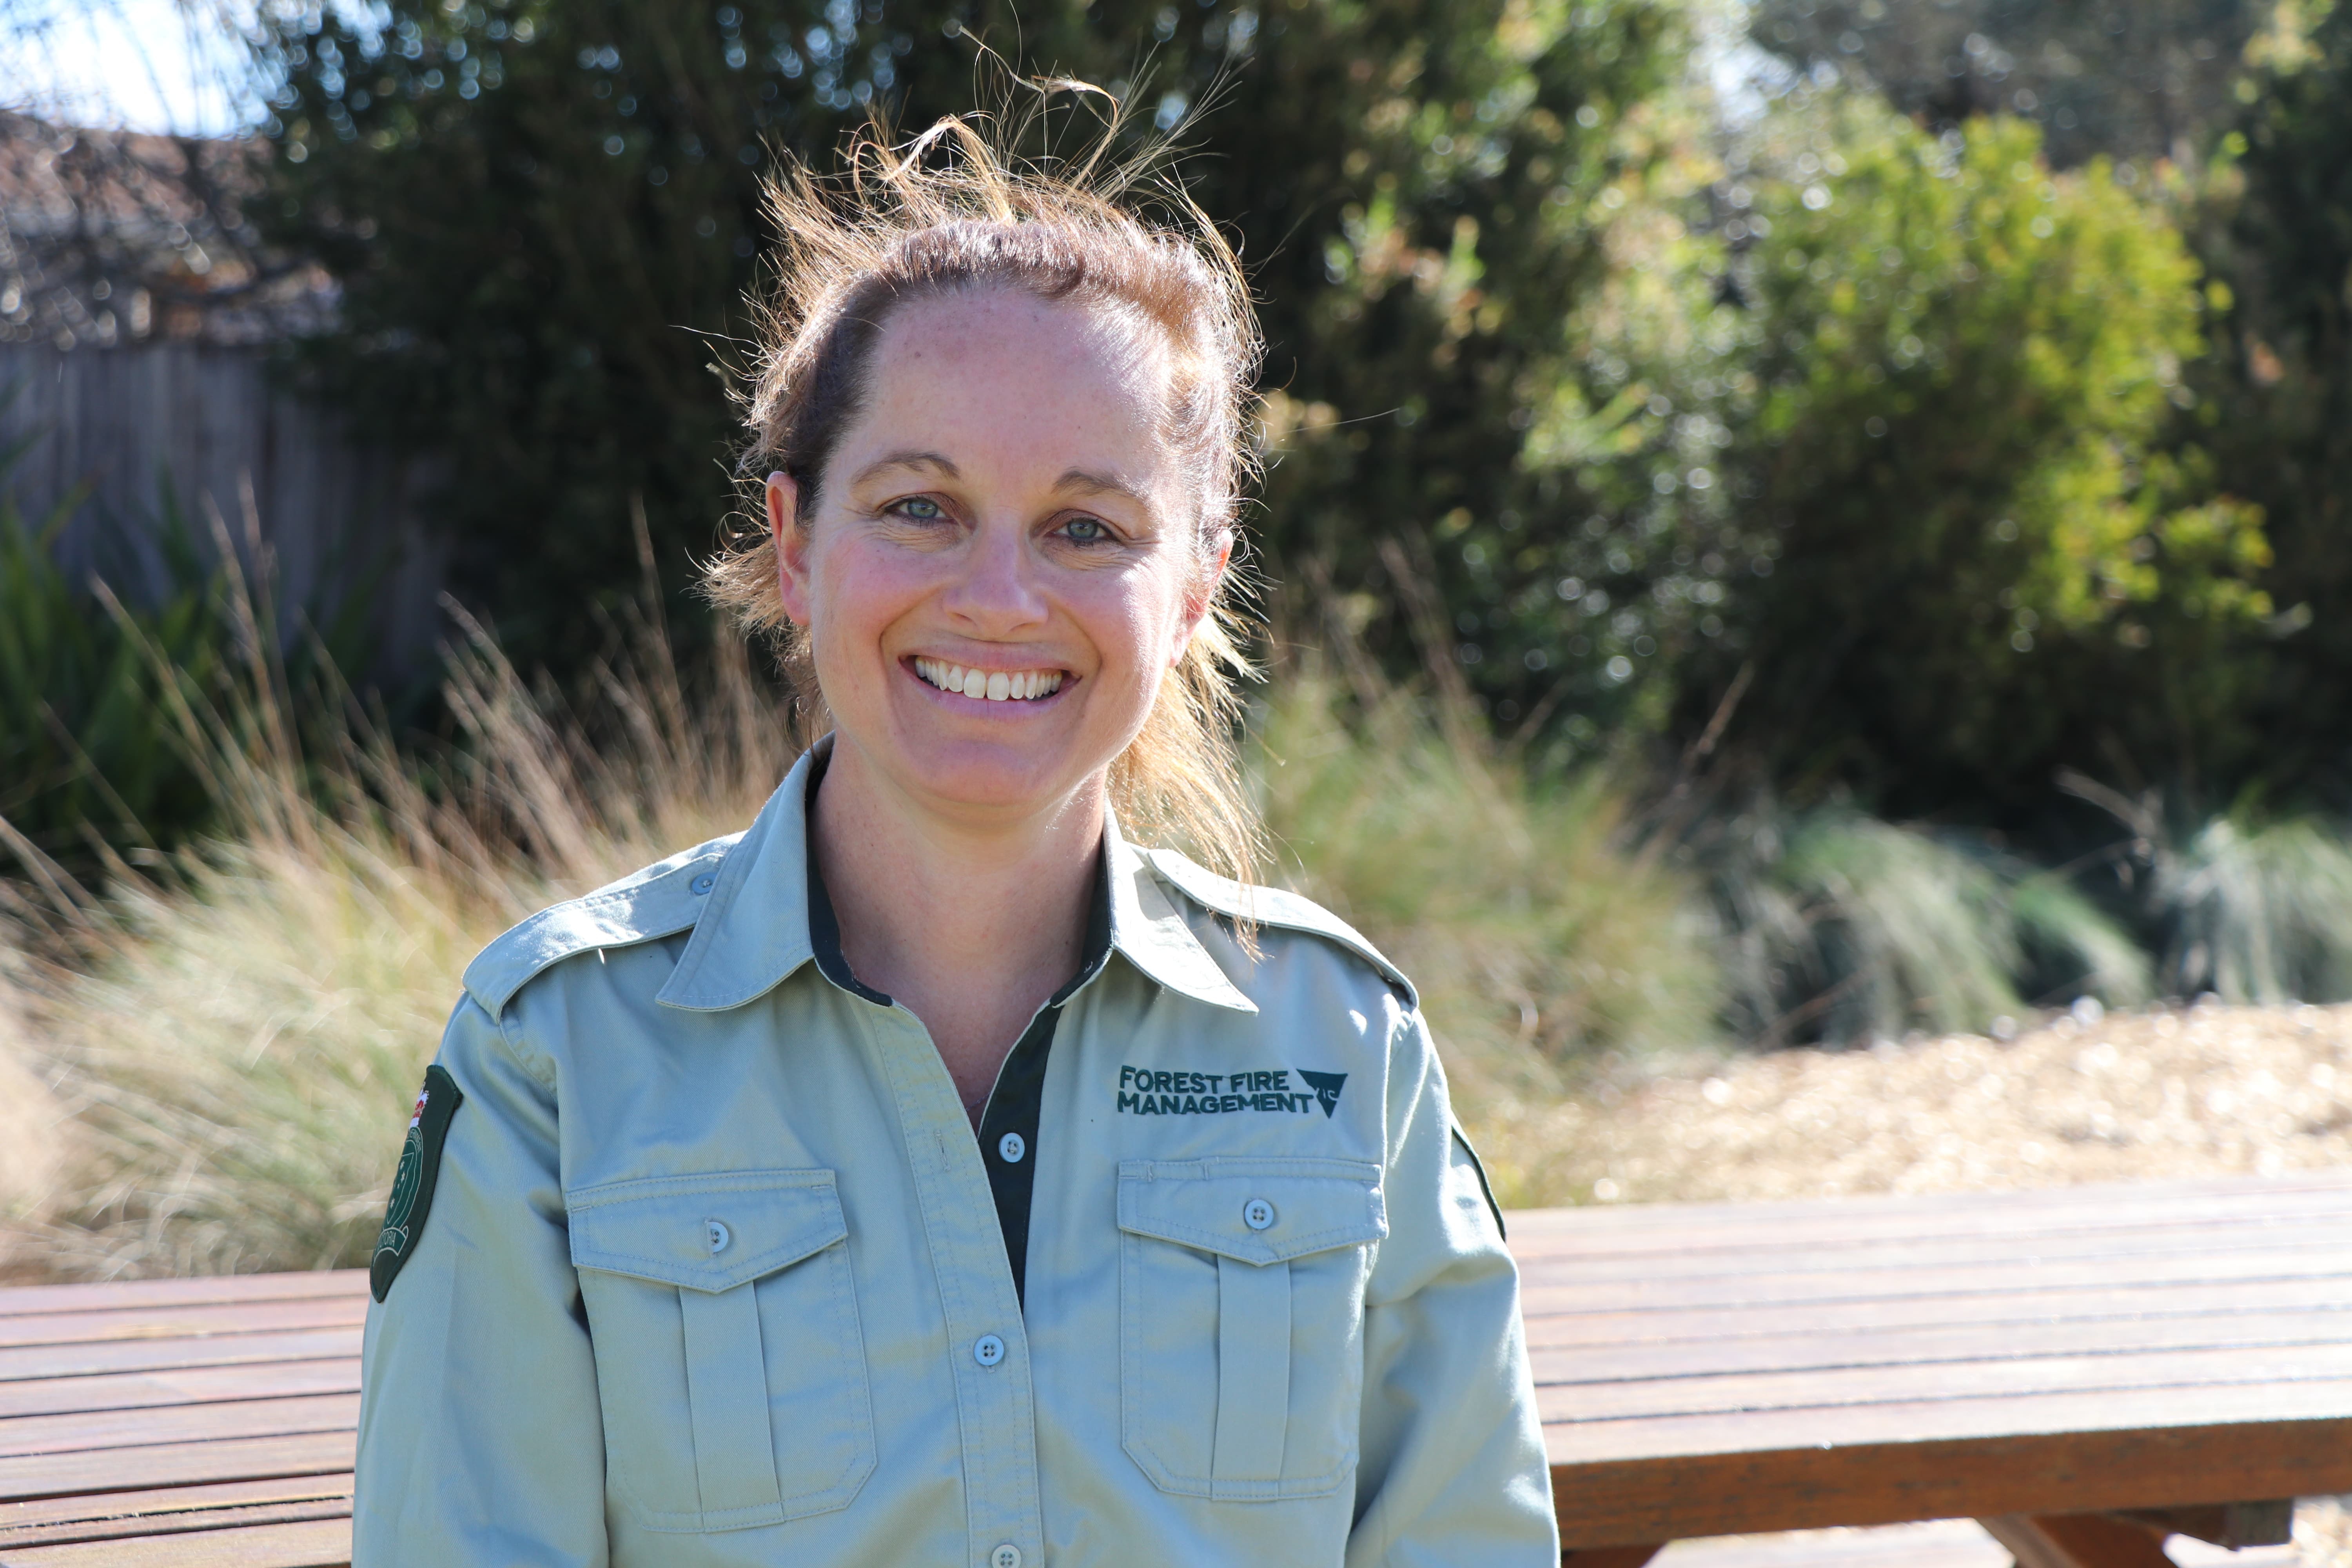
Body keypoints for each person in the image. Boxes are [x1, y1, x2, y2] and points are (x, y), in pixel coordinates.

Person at [351, 111, 1557, 1567]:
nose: (998, 596)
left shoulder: (1347, 1047)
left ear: (1194, 588)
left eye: (1088, 529)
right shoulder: (556, 1053)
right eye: (920, 507)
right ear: (797, 546)